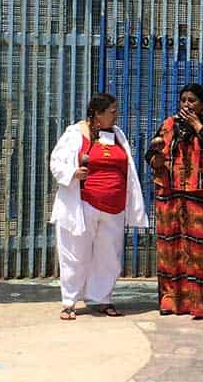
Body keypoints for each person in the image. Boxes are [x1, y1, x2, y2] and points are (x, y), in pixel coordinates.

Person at [49, 93, 149, 320]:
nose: (116, 115)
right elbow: (56, 161)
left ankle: (102, 299)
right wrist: (72, 172)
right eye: (112, 111)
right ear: (97, 114)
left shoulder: (117, 135)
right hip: (84, 204)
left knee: (109, 255)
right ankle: (69, 303)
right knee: (76, 253)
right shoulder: (75, 133)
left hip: (114, 207)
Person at [146, 83, 203, 318]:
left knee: (202, 252)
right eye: (183, 100)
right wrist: (156, 155)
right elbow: (150, 154)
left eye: (192, 100)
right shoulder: (169, 124)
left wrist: (196, 126)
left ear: (202, 104)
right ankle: (172, 301)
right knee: (171, 250)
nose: (186, 105)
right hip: (172, 198)